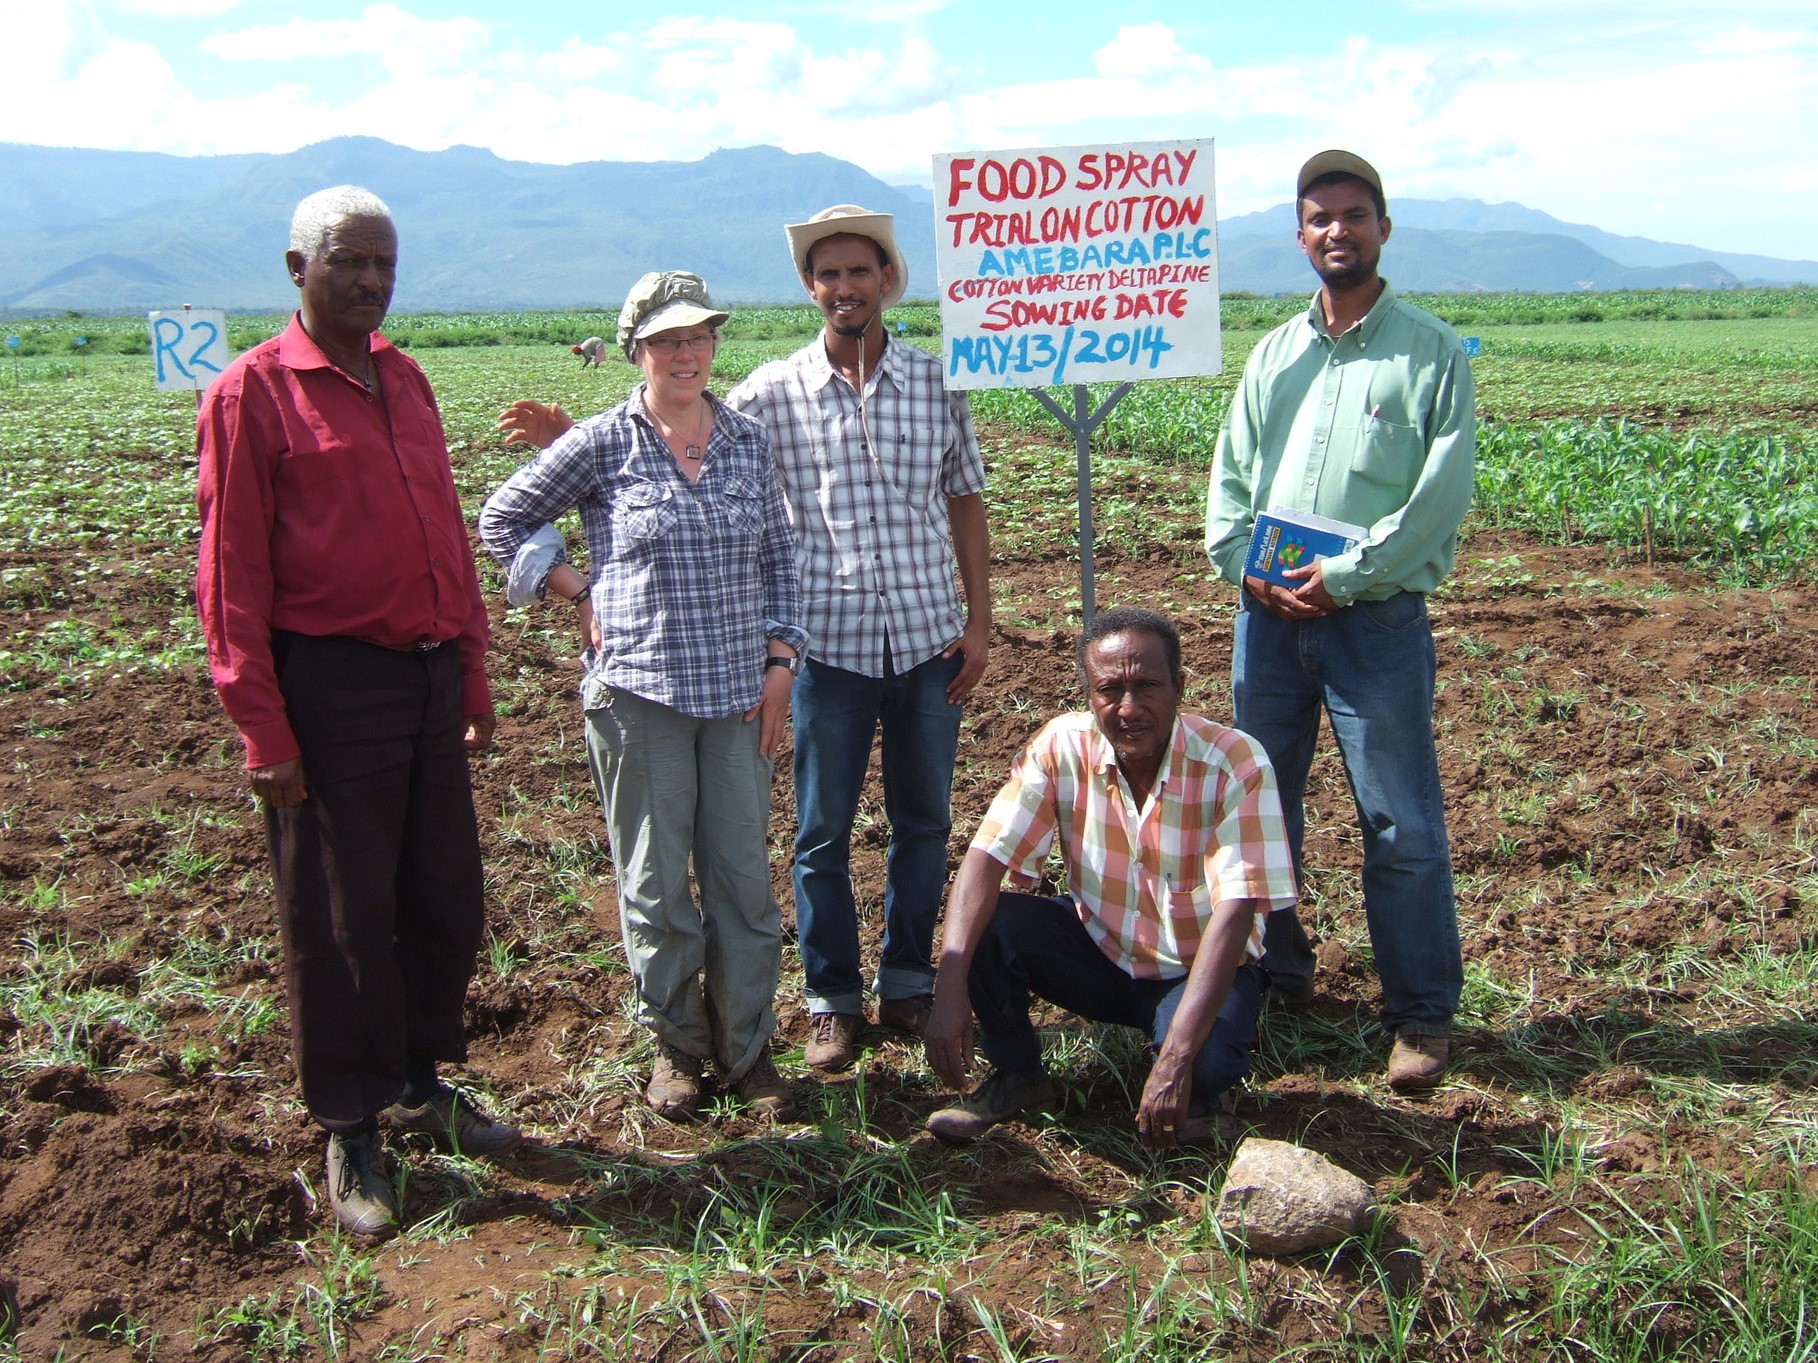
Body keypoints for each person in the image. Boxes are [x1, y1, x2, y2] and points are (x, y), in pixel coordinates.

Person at [195, 185, 519, 1241]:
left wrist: (469, 670)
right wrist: (263, 727)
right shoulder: (255, 394)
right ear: (298, 268)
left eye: (384, 264)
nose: (371, 282)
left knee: (443, 897)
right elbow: (230, 576)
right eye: (347, 264)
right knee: (337, 919)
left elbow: (445, 539)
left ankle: (421, 1080)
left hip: (426, 679)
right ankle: (350, 1120)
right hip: (328, 687)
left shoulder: (407, 379)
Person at [480, 271, 807, 1122]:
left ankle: (749, 1048)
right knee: (656, 882)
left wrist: (781, 663)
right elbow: (501, 518)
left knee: (742, 880)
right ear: (636, 351)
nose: (686, 352)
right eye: (667, 340)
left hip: (739, 695)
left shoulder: (745, 438)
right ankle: (677, 1045)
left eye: (698, 336)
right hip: (639, 693)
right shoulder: (600, 442)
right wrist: (572, 586)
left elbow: (781, 555)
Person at [1204, 149, 1476, 1091]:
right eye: (1319, 217)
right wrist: (1248, 569)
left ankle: (1421, 1014)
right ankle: (1278, 970)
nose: (1337, 230)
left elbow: (1439, 497)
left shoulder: (1432, 352)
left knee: (1399, 819)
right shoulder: (1273, 354)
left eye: (1354, 214)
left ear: (1383, 228)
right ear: (1300, 235)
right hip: (1270, 620)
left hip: (1376, 622)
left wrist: (1350, 574)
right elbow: (1231, 483)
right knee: (1260, 806)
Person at [725, 205, 992, 1073]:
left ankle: (910, 980)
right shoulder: (769, 392)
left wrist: (980, 622)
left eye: (859, 273)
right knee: (820, 831)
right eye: (828, 275)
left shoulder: (937, 381)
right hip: (824, 648)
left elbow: (965, 501)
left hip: (926, 640)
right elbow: (688, 449)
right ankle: (833, 998)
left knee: (923, 822)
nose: (844, 288)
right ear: (811, 288)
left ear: (886, 281)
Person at [922, 608, 1296, 1146]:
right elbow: (985, 858)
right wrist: (949, 988)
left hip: (1196, 967)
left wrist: (1176, 1058)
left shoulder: (1233, 763)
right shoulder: (1061, 747)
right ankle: (1019, 1076)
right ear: (1088, 693)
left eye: (1147, 687)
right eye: (1109, 690)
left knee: (1205, 1068)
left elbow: (1236, 912)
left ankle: (1199, 1090)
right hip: (1103, 952)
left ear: (1179, 687)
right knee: (991, 925)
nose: (1129, 708)